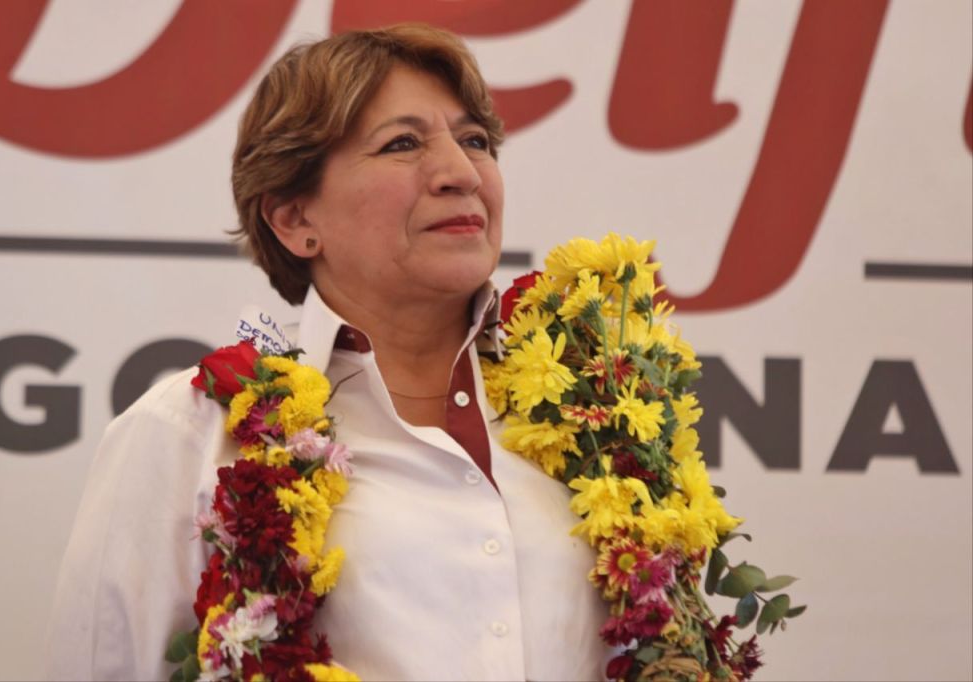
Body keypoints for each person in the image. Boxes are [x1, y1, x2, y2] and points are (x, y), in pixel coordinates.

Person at [46, 24, 608, 681]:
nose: (461, 173)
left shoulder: (595, 420)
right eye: (402, 144)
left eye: (475, 141)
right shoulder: (191, 432)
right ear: (295, 219)